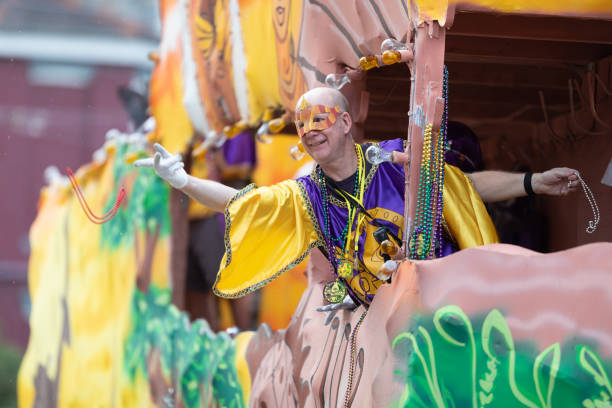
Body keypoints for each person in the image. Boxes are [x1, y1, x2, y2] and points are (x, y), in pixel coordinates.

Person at [135, 87, 579, 311]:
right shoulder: (306, 196)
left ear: (346, 122)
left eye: (320, 118)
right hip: (379, 322)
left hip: (450, 305)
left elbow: (462, 188)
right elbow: (243, 202)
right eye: (301, 123)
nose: (309, 128)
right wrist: (183, 181)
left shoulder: (394, 162)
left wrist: (533, 182)